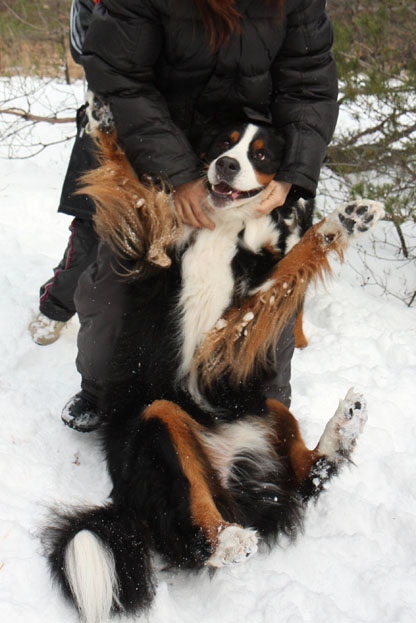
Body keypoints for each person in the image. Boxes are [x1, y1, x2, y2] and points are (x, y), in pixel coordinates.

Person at [60, 0, 339, 431]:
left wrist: (291, 173)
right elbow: (121, 76)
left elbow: (308, 82)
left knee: (266, 293)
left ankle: (265, 411)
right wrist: (178, 173)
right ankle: (100, 389)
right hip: (155, 142)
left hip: (249, 152)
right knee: (122, 272)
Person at [29, 0, 98, 345]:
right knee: (94, 230)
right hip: (109, 119)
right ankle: (54, 308)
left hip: (179, 126)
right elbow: (83, 46)